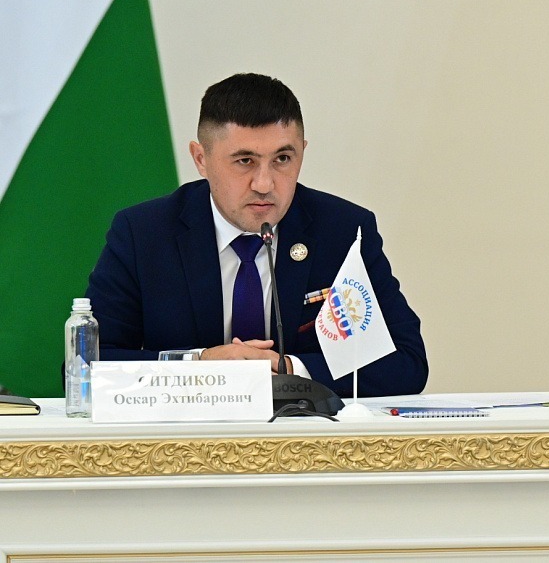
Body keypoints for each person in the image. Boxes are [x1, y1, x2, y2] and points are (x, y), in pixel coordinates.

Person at [87, 73, 427, 397]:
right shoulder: (144, 233)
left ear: (302, 152)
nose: (264, 184)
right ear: (201, 159)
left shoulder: (343, 231)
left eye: (283, 158)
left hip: (305, 434)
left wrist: (289, 369)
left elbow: (407, 362)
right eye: (245, 161)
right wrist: (197, 364)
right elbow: (89, 366)